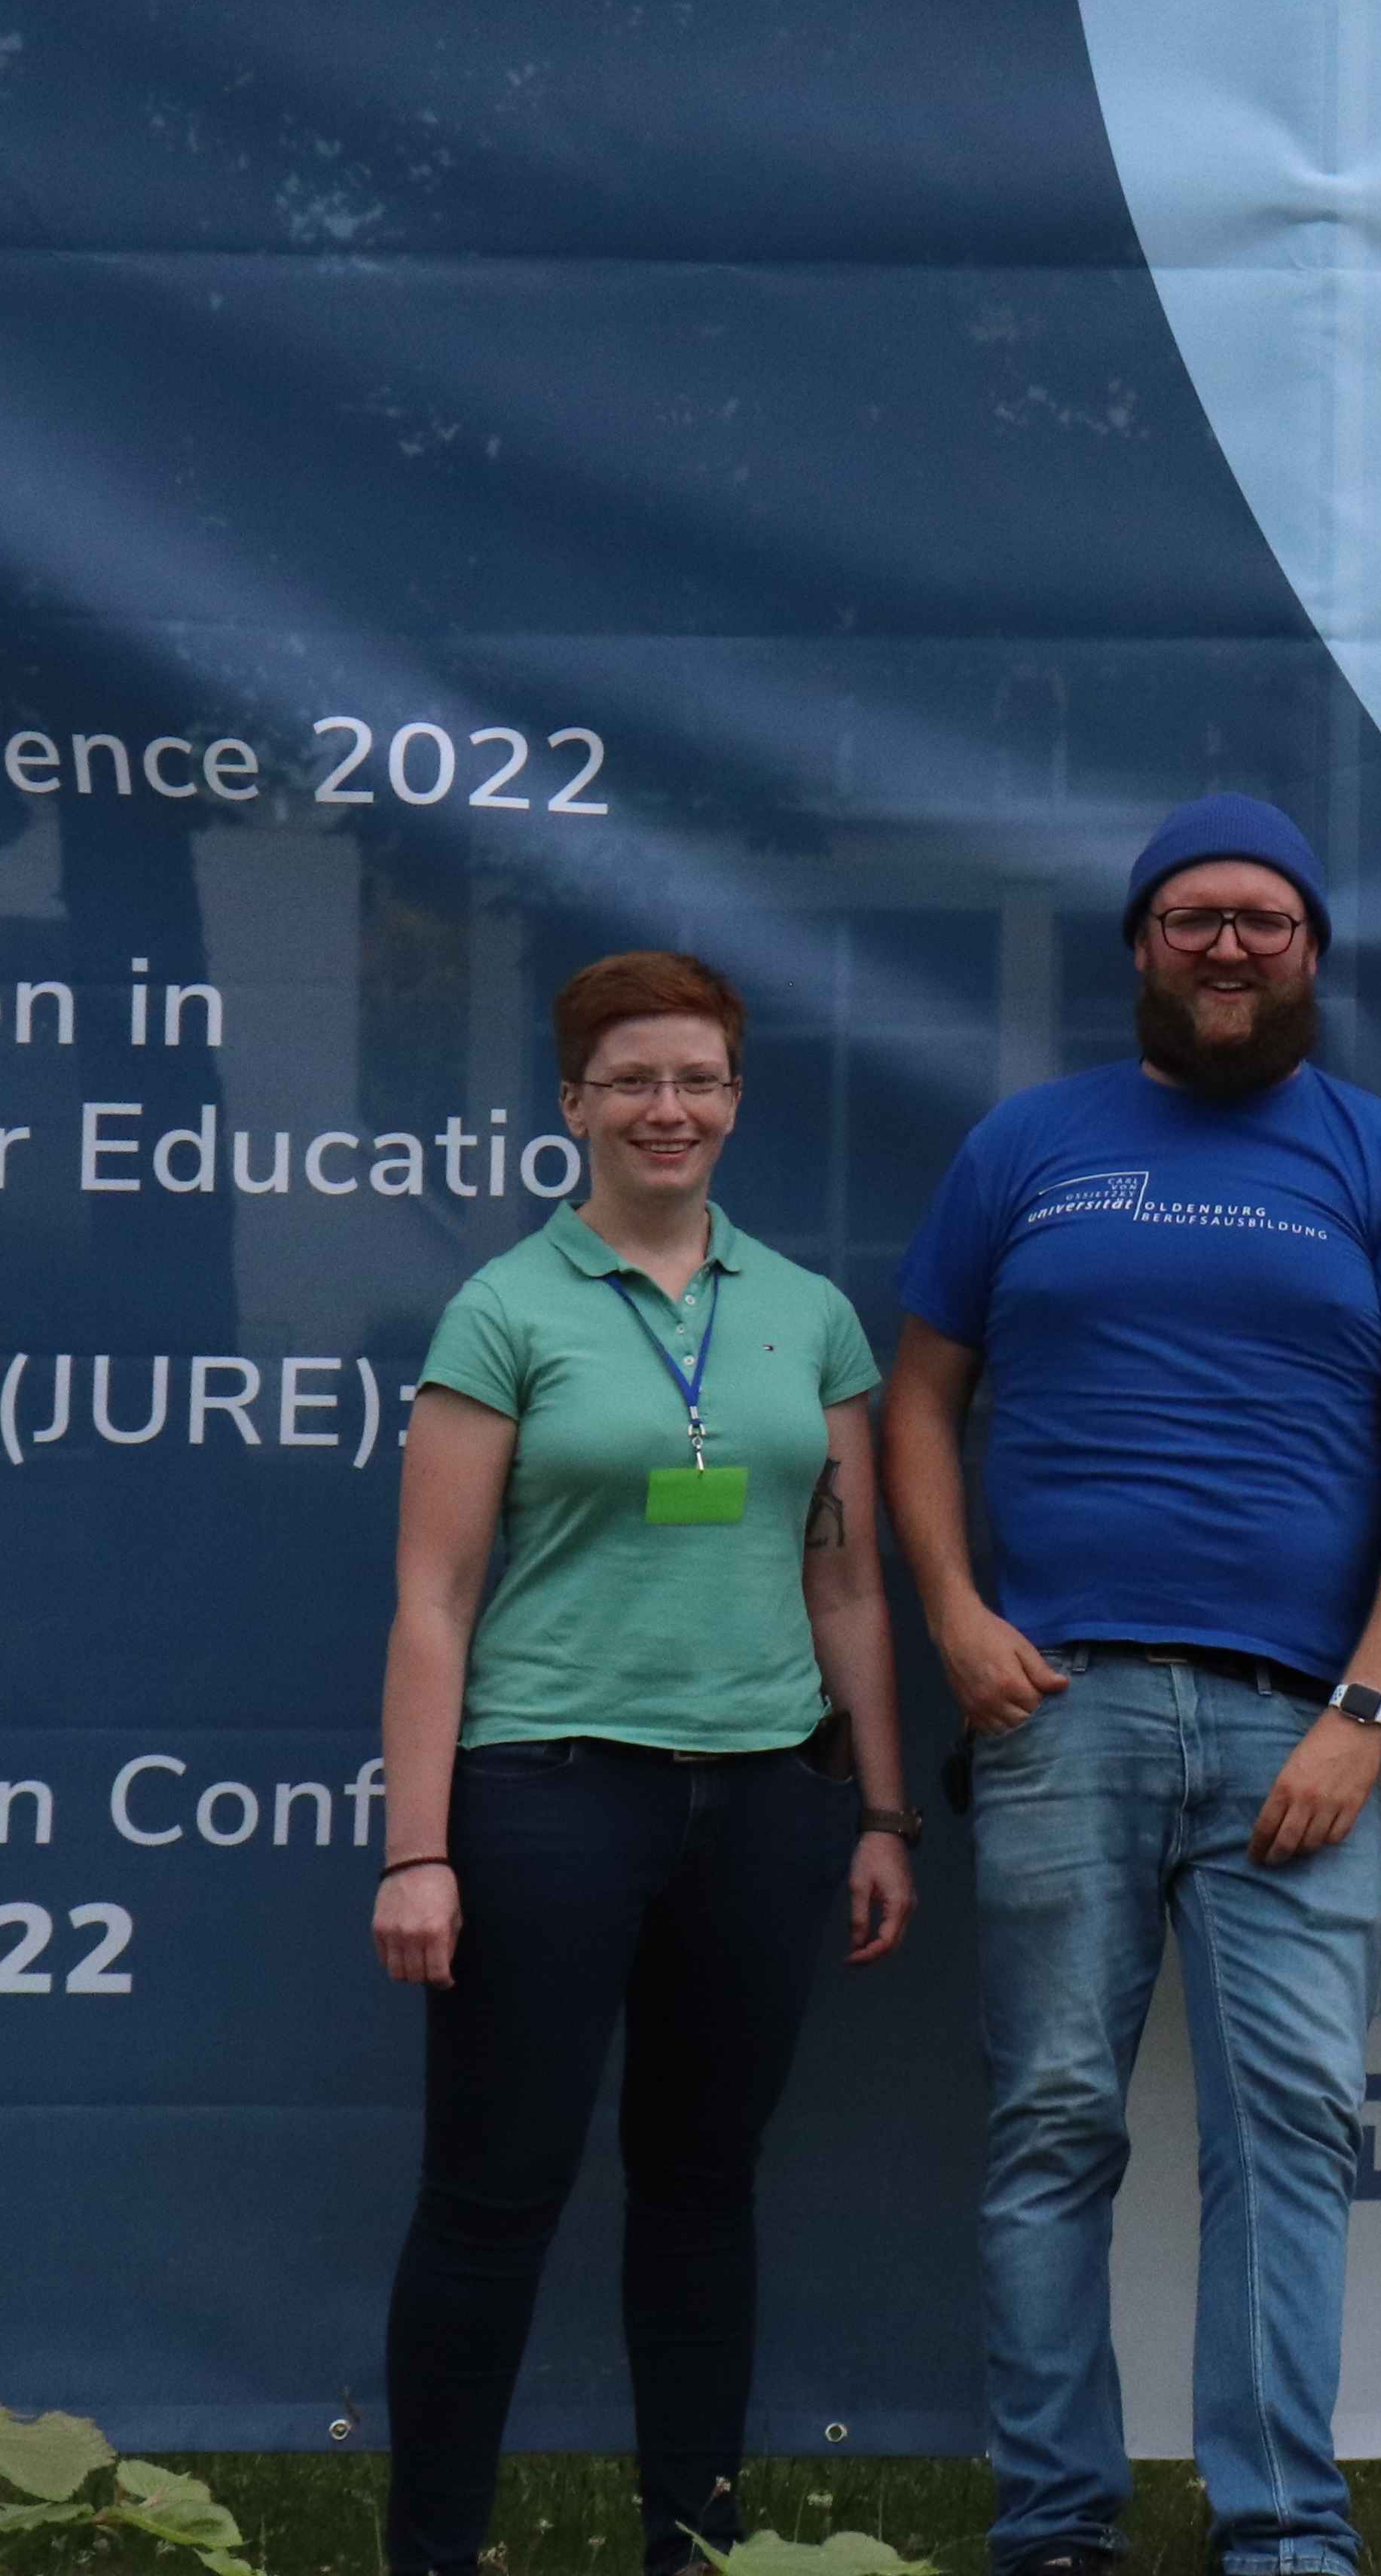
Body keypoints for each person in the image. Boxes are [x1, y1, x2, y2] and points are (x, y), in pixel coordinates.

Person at [881, 793, 1381, 2576]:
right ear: (1141, 945)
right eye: (1193, 917)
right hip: (1055, 1705)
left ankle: (1287, 2530)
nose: (1230, 946)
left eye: (1265, 919)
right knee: (1054, 2119)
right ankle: (1058, 2522)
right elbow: (918, 1398)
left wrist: (1367, 1709)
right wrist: (951, 1610)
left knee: (1294, 2132)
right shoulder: (1027, 1144)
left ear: (1312, 950)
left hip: (1295, 1724)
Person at [369, 949, 918, 2576]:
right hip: (547, 1789)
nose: (665, 1107)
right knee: (493, 2190)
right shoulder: (506, 1307)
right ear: (574, 1105)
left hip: (762, 1801)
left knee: (702, 2186)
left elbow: (846, 1583)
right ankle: (435, 2547)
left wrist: (878, 1805)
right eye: (632, 1081)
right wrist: (419, 1844)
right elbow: (432, 1592)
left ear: (736, 1104)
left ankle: (697, 2539)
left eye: (695, 1079)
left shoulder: (808, 1315)